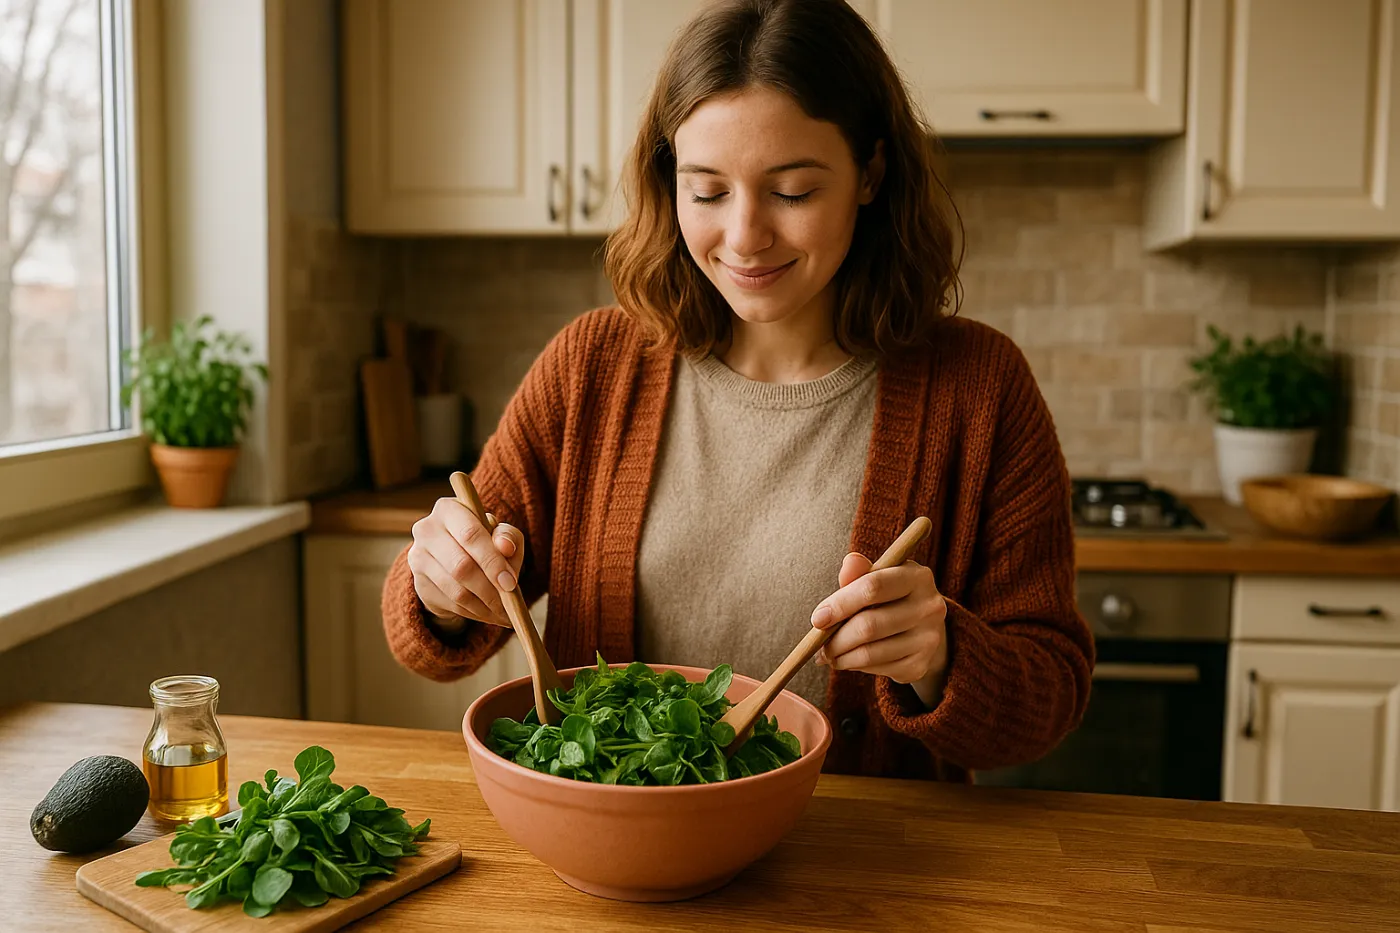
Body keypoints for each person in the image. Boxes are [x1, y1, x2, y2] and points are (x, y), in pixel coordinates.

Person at [382, 0, 1093, 781]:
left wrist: (940, 656)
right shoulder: (592, 367)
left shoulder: (980, 388)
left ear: (871, 174)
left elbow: (1051, 690)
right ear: (670, 183)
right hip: (621, 865)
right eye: (708, 191)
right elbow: (436, 628)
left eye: (791, 191)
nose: (745, 235)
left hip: (864, 874)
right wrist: (443, 585)